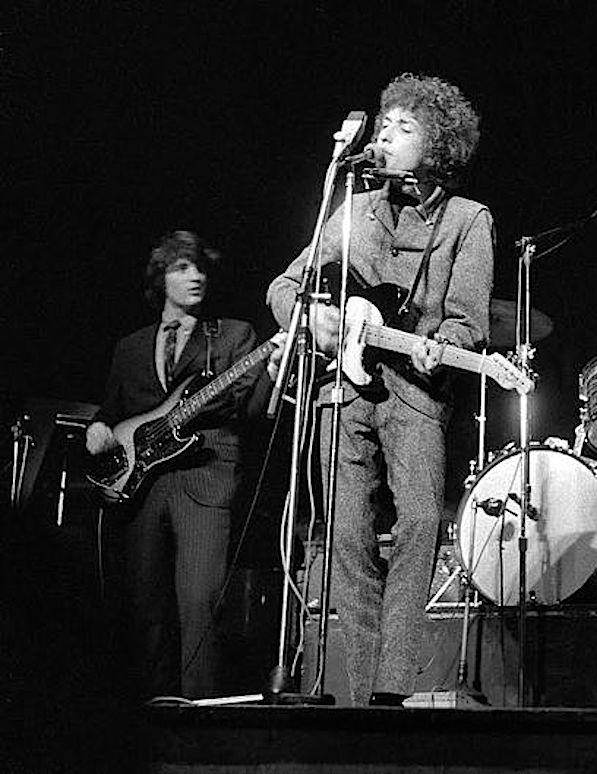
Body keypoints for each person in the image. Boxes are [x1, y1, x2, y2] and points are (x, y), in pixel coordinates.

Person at [267, 73, 493, 706]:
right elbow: (284, 288)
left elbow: (468, 323)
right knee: (346, 540)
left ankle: (392, 697)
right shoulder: (352, 208)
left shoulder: (467, 220)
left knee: (421, 522)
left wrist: (437, 341)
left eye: (404, 129)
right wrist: (310, 317)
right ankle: (363, 697)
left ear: (438, 145)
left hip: (416, 395)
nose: (386, 137)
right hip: (339, 392)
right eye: (384, 126)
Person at [85, 230, 278, 700]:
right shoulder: (130, 347)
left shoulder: (234, 335)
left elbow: (251, 414)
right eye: (181, 267)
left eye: (200, 268)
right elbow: (110, 411)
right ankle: (152, 716)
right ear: (160, 279)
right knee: (145, 604)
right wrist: (98, 430)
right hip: (141, 485)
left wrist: (272, 374)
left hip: (206, 477)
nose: (195, 277)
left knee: (200, 604)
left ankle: (198, 715)